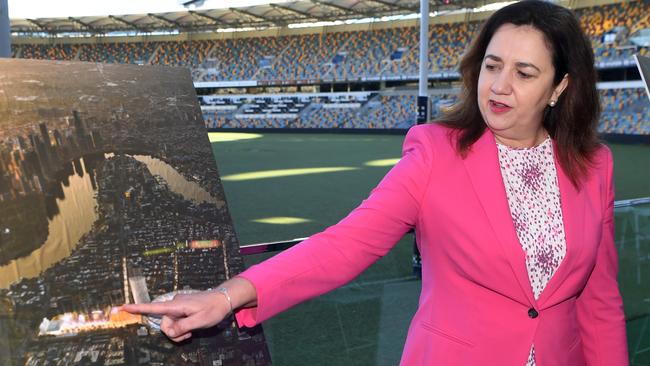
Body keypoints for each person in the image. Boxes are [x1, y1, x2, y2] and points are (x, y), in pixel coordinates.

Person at [123, 1, 629, 364]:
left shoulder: (594, 165)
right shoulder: (435, 153)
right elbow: (348, 244)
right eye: (493, 66)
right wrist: (229, 295)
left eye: (524, 73)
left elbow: (600, 302)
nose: (499, 86)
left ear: (560, 86)